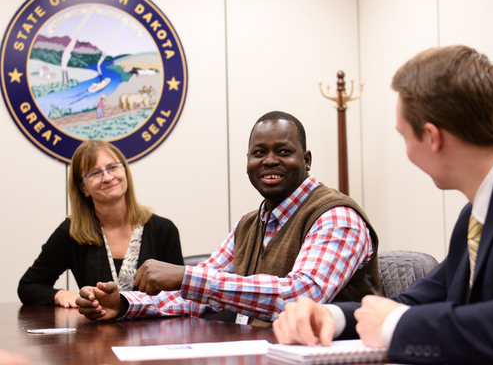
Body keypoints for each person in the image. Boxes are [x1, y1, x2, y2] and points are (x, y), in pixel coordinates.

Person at [272, 46, 493, 365]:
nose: (406, 150)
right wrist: (330, 316)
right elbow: (413, 304)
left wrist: (396, 325)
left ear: (433, 137)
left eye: (404, 135)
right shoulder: (474, 215)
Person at [76, 111, 381, 326]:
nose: (270, 160)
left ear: (307, 160)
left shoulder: (336, 217)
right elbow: (197, 297)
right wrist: (126, 304)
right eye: (259, 152)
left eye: (284, 151)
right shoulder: (249, 224)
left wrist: (186, 276)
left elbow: (300, 296)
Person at [18, 140, 184, 308]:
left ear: (124, 170)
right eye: (95, 173)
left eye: (112, 167)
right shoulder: (72, 231)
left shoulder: (163, 230)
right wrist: (60, 294)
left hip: (154, 331)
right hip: (96, 332)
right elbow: (28, 287)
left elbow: (179, 296)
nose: (107, 177)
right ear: (83, 188)